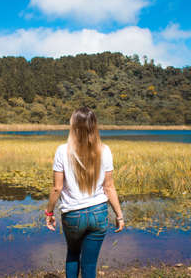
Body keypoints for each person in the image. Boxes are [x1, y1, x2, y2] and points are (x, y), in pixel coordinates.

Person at [45, 107, 124, 278]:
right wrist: (119, 215)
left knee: (73, 255)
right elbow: (109, 187)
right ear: (94, 126)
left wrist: (49, 212)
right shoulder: (105, 150)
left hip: (73, 214)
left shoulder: (62, 151)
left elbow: (57, 188)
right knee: (90, 263)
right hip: (99, 213)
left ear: (73, 125)